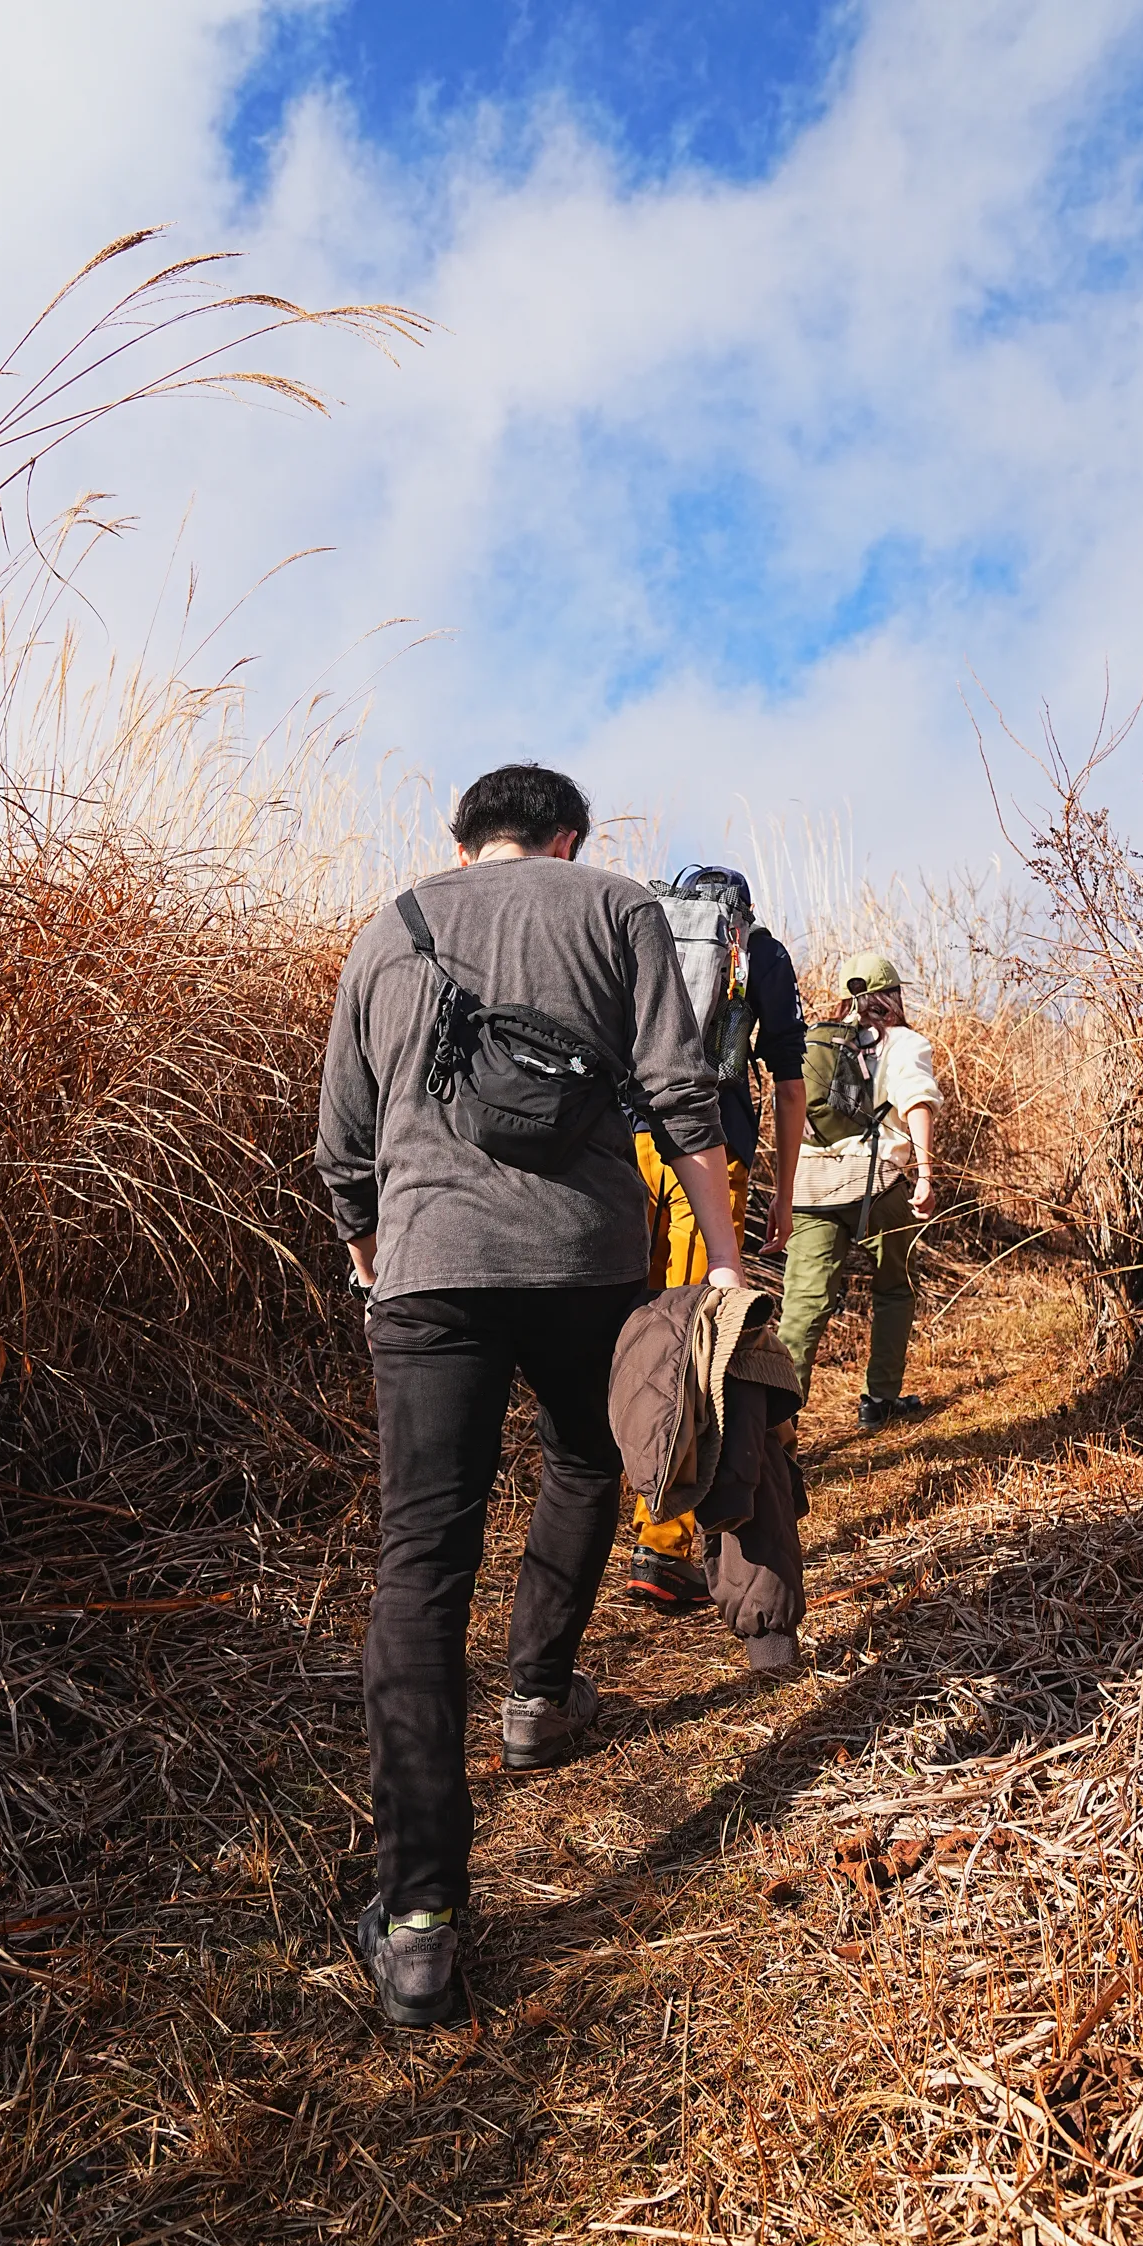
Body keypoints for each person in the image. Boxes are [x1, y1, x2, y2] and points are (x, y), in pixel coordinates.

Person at [315, 765, 745, 2029]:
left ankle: (417, 1922)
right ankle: (538, 1696)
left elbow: (344, 1147)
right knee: (585, 1456)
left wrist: (375, 1266)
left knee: (421, 1564)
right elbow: (683, 1095)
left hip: (428, 1270)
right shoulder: (618, 907)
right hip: (587, 1262)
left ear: (459, 840)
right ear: (566, 835)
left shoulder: (390, 926)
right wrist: (723, 1265)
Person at [625, 867, 807, 1611]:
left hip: (624, 1152)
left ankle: (609, 1504)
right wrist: (785, 1196)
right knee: (695, 1336)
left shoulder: (644, 936)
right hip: (710, 1151)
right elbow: (790, 1083)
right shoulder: (760, 952)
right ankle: (663, 1546)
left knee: (631, 1329)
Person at [776, 953, 941, 1431]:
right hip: (876, 1186)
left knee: (803, 1305)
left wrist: (783, 1191)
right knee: (894, 1288)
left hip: (809, 1188)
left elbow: (789, 1111)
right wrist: (926, 1175)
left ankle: (776, 1425)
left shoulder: (817, 1042)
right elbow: (917, 1103)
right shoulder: (904, 1043)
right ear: (894, 996)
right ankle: (880, 1400)